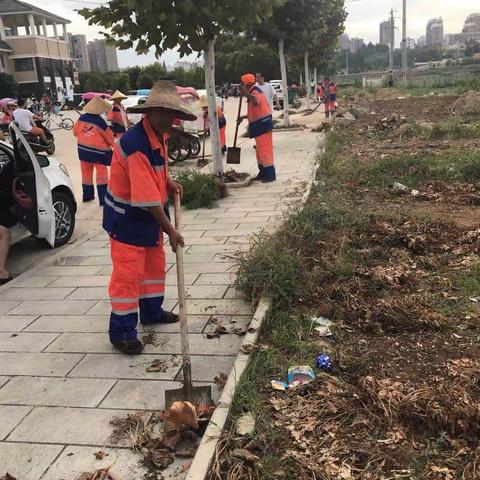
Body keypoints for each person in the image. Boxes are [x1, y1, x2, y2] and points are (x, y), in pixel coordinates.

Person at [102, 80, 193, 354]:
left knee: (153, 267)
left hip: (148, 217)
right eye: (162, 112)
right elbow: (147, 199)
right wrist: (171, 231)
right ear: (149, 112)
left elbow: (156, 174)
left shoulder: (159, 135)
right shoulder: (137, 144)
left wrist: (168, 183)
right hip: (127, 219)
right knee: (128, 276)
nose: (168, 118)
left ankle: (152, 311)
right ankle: (122, 332)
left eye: (171, 112)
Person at [73, 96, 115, 206]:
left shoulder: (81, 118)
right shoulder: (100, 122)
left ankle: (87, 196)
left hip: (83, 152)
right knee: (102, 176)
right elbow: (109, 138)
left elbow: (75, 132)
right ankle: (103, 200)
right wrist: (113, 145)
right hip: (98, 154)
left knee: (86, 175)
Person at [237, 73, 275, 182]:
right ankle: (262, 173)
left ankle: (270, 175)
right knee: (259, 151)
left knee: (265, 151)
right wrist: (243, 117)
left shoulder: (255, 91)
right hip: (259, 126)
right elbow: (255, 112)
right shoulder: (253, 91)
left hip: (263, 126)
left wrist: (244, 93)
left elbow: (256, 101)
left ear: (245, 85)